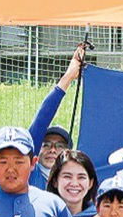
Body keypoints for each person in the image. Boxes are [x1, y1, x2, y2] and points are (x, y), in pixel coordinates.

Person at [27, 43, 87, 190]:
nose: (52, 150)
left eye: (60, 146)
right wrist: (68, 77)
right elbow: (42, 120)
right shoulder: (29, 174)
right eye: (46, 144)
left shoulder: (76, 185)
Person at [46, 149, 99, 217]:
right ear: (55, 182)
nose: (74, 183)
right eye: (67, 176)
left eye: (81, 177)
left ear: (90, 183)